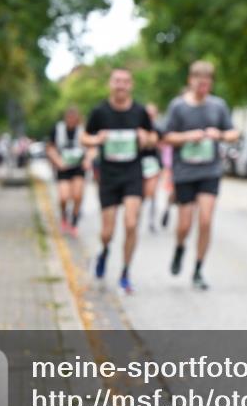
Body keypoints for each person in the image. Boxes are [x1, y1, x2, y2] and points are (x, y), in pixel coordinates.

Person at [162, 61, 239, 290]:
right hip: (185, 172)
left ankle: (198, 269)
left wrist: (221, 135)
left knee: (205, 220)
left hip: (209, 171)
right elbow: (166, 136)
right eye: (199, 83)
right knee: (185, 224)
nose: (203, 88)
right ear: (190, 80)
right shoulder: (178, 107)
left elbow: (234, 132)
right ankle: (179, 247)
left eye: (207, 84)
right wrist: (187, 137)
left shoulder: (218, 106)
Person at [81, 69, 157, 293]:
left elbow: (154, 137)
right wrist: (96, 139)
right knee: (108, 232)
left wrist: (146, 139)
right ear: (110, 84)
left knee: (131, 223)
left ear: (131, 85)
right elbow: (84, 137)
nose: (121, 85)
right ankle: (104, 251)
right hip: (109, 175)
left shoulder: (139, 111)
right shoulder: (100, 111)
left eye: (125, 82)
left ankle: (125, 272)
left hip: (133, 173)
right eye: (117, 81)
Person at [45, 106, 90, 236]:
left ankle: (74, 222)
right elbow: (50, 148)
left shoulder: (83, 130)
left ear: (77, 119)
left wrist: (88, 160)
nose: (71, 120)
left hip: (78, 168)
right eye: (69, 118)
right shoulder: (57, 129)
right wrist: (58, 161)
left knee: (77, 195)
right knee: (64, 197)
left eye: (74, 118)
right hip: (63, 167)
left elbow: (91, 148)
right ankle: (64, 216)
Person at [142, 103, 165, 233]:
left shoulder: (158, 128)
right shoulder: (138, 127)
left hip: (154, 163)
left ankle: (151, 220)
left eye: (152, 114)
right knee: (141, 193)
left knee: (152, 192)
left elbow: (162, 143)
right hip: (139, 164)